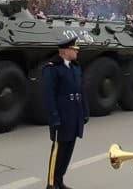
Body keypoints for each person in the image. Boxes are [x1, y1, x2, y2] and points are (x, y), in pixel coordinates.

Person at [42, 35, 89, 189]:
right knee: (58, 152)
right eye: (74, 49)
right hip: (61, 118)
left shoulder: (75, 67)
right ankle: (51, 184)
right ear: (65, 51)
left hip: (74, 116)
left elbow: (81, 91)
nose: (77, 52)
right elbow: (49, 96)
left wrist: (85, 112)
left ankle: (59, 181)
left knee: (67, 152)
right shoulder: (52, 69)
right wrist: (54, 118)